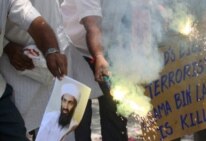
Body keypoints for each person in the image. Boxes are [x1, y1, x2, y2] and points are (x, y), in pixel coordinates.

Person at [60, 0, 128, 140]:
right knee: (78, 119)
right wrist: (99, 56)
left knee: (116, 112)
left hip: (111, 49)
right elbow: (92, 25)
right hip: (74, 51)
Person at [0, 0, 67, 140]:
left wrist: (51, 50)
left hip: (48, 59)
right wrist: (8, 46)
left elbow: (30, 17)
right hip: (18, 68)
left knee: (52, 128)